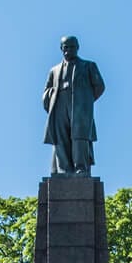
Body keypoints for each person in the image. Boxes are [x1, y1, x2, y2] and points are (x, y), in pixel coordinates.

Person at [42, 35, 104, 176]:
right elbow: (46, 90)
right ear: (61, 49)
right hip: (59, 104)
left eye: (71, 47)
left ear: (77, 48)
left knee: (79, 137)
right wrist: (52, 97)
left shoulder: (88, 66)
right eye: (65, 47)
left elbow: (99, 86)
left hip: (80, 107)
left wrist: (85, 101)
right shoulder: (54, 70)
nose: (68, 50)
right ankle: (63, 169)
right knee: (61, 137)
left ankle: (80, 168)